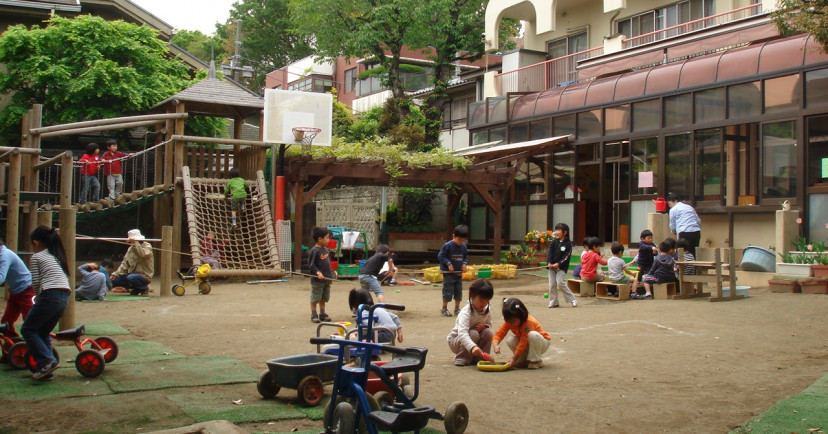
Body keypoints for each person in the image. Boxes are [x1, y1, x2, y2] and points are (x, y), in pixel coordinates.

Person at [21, 226, 71, 381]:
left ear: (35, 243)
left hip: (50, 294)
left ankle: (46, 361)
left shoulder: (37, 257)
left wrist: (37, 298)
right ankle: (47, 369)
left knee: (28, 329)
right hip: (64, 297)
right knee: (42, 332)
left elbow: (35, 281)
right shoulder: (56, 256)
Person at [492, 297, 551, 369]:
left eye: (513, 320)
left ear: (521, 315)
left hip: (541, 343)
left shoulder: (528, 322)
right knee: (510, 340)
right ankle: (522, 360)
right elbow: (500, 333)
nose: (510, 323)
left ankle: (536, 360)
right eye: (508, 320)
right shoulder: (509, 322)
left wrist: (514, 358)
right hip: (529, 343)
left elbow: (524, 341)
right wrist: (495, 345)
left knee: (532, 335)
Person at [447, 278, 494, 366]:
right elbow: (462, 333)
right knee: (473, 333)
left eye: (487, 301)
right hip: (456, 341)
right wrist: (472, 347)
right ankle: (462, 357)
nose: (484, 303)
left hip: (474, 339)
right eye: (481, 300)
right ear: (472, 296)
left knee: (489, 332)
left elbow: (489, 325)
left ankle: (480, 357)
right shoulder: (466, 312)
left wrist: (484, 327)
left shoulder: (487, 310)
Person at [0, 238, 33, 338]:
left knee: (30, 323)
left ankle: (37, 349)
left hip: (27, 290)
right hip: (16, 292)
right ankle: (14, 347)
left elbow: (1, 277)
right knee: (6, 322)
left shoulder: (5, 255)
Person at [110, 229, 154, 296]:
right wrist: (116, 273)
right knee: (116, 280)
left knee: (131, 277)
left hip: (144, 275)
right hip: (132, 274)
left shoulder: (147, 246)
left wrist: (135, 243)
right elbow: (125, 263)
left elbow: (142, 254)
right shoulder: (130, 249)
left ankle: (143, 288)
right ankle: (137, 288)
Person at [438, 224, 469, 317]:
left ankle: (457, 308)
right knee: (448, 290)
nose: (461, 242)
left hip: (458, 274)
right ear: (453, 236)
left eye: (463, 240)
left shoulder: (463, 247)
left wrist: (464, 264)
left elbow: (465, 257)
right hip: (448, 274)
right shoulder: (447, 246)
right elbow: (440, 256)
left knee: (458, 291)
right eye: (459, 240)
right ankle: (444, 308)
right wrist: (448, 263)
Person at [546, 223, 577, 308]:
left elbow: (566, 257)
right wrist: (549, 262)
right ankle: (554, 302)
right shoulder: (553, 242)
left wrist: (558, 264)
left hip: (561, 268)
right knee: (552, 284)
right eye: (556, 230)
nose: (556, 232)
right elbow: (549, 254)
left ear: (565, 232)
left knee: (560, 283)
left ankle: (572, 299)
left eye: (559, 230)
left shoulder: (568, 244)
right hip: (552, 267)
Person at [308, 227, 333, 323]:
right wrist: (318, 272)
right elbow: (311, 265)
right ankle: (314, 313)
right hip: (317, 280)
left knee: (324, 297)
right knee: (315, 297)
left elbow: (328, 264)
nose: (328, 240)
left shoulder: (326, 250)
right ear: (320, 239)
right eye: (327, 238)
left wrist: (330, 277)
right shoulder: (314, 251)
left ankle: (322, 313)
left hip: (326, 279)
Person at [667, 193, 701, 257]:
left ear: (675, 201)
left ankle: (682, 267)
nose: (670, 206)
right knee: (694, 253)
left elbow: (672, 224)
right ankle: (693, 267)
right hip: (696, 232)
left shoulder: (673, 209)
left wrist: (674, 231)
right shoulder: (689, 207)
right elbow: (698, 220)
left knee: (682, 254)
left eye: (670, 204)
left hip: (684, 232)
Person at [631, 230, 657, 296]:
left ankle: (647, 286)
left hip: (649, 263)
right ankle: (637, 286)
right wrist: (652, 248)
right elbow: (643, 247)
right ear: (642, 239)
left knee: (648, 274)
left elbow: (655, 253)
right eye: (648, 238)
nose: (650, 239)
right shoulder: (641, 244)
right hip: (641, 263)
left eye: (651, 238)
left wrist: (655, 252)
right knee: (639, 274)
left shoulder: (652, 244)